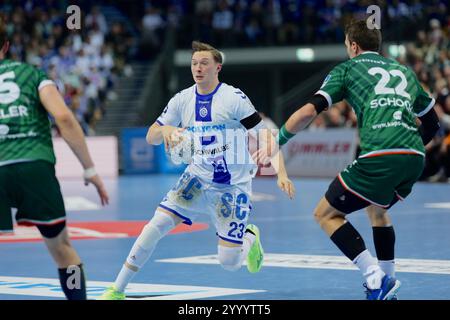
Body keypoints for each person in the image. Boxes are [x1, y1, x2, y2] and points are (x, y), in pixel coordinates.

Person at [256, 19, 440, 300]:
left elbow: (308, 112)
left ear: (353, 46)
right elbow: (432, 123)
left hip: (380, 153)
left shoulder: (348, 69)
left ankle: (374, 278)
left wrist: (277, 141)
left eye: (346, 45)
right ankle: (388, 281)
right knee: (376, 208)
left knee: (324, 213)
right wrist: (410, 147)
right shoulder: (403, 70)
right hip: (414, 157)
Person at [100, 41, 295, 300]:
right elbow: (151, 137)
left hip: (231, 187)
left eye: (204, 63)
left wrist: (281, 173)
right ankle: (117, 289)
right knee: (154, 227)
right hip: (196, 178)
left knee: (229, 262)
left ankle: (249, 237)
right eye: (194, 63)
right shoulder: (182, 99)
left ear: (217, 68)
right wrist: (166, 130)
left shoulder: (233, 98)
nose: (198, 68)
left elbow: (266, 137)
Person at [0, 25, 109, 300]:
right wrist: (90, 169)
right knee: (62, 248)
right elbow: (64, 119)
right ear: (6, 46)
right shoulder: (33, 75)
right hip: (34, 164)